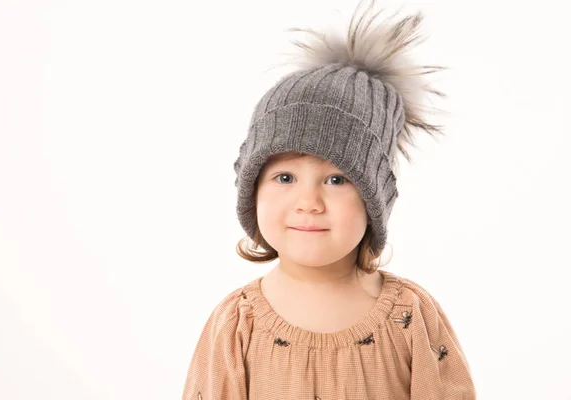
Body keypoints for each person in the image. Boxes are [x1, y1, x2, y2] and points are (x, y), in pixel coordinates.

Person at [182, 0, 476, 398]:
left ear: (374, 199)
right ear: (252, 192)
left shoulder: (410, 315)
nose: (309, 202)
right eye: (284, 177)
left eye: (337, 179)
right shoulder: (238, 321)